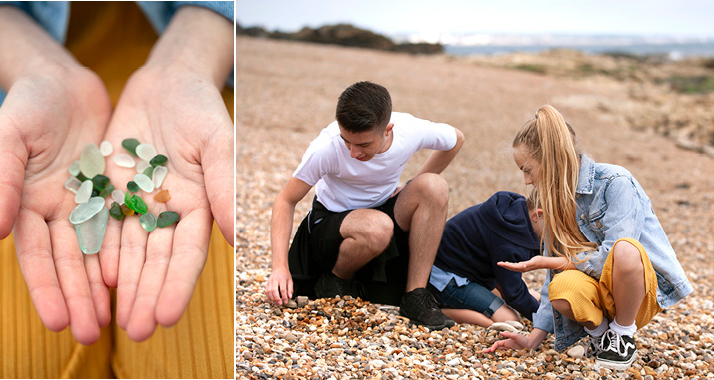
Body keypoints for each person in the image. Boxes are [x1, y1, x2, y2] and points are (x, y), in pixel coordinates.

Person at [0, 2, 233, 377]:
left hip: (199, 76)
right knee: (20, 364)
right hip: (19, 94)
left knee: (206, 363)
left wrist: (189, 58)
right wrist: (35, 67)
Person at [483, 105, 693, 371]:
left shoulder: (615, 181)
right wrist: (533, 338)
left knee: (624, 250)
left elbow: (613, 257)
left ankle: (622, 334)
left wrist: (556, 262)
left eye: (527, 170)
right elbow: (551, 285)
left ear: (551, 158)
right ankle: (603, 335)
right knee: (561, 288)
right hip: (598, 297)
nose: (526, 181)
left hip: (638, 293)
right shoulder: (555, 203)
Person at [264, 81, 465, 330]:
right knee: (377, 226)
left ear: (388, 129)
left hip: (383, 211)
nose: (353, 152)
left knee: (434, 186)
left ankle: (415, 296)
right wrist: (279, 268)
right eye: (346, 140)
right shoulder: (326, 148)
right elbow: (286, 200)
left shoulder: (410, 129)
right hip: (330, 224)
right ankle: (336, 280)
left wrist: (412, 184)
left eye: (363, 145)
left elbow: (456, 139)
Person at [430, 189, 542, 327]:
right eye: (557, 227)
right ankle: (439, 311)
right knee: (510, 318)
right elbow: (514, 295)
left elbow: (507, 284)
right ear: (537, 215)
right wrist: (546, 321)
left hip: (465, 270)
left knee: (531, 297)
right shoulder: (508, 243)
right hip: (445, 280)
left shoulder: (514, 214)